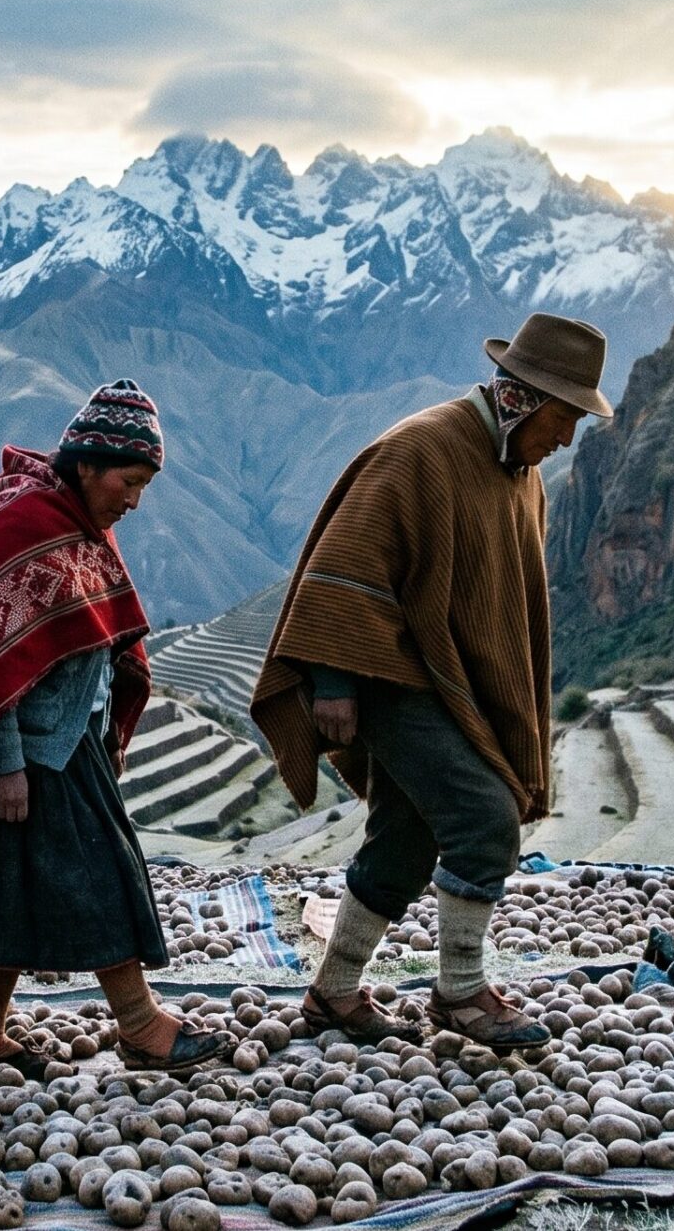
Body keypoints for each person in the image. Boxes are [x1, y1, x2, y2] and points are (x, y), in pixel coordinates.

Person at [251, 312, 604, 1050]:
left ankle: (333, 994)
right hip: (386, 672)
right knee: (483, 819)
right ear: (524, 399)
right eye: (565, 417)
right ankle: (461, 993)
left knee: (406, 840)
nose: (567, 438)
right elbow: (346, 563)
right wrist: (333, 681)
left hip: (448, 683)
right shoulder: (422, 450)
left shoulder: (518, 472)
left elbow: (498, 601)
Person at [0, 379, 234, 1074]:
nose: (133, 502)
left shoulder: (73, 523)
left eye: (143, 488)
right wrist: (6, 761)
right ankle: (140, 1025)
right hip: (32, 752)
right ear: (88, 466)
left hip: (72, 740)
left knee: (7, 892)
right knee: (103, 882)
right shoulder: (24, 524)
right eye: (128, 483)